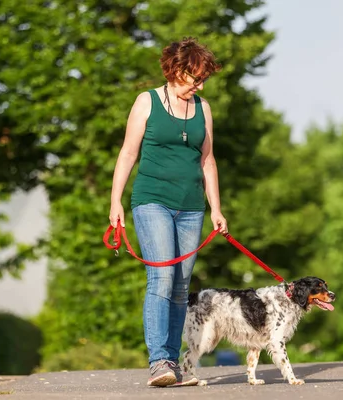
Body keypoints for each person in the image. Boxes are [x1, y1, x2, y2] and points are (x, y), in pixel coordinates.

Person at [108, 37, 228, 387]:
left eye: (203, 79)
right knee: (162, 277)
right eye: (195, 78)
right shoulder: (146, 102)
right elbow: (128, 153)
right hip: (152, 200)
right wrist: (115, 201)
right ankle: (159, 360)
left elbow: (207, 160)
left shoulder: (203, 108)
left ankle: (173, 364)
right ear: (176, 71)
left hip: (191, 207)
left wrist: (216, 208)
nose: (200, 85)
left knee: (181, 285)